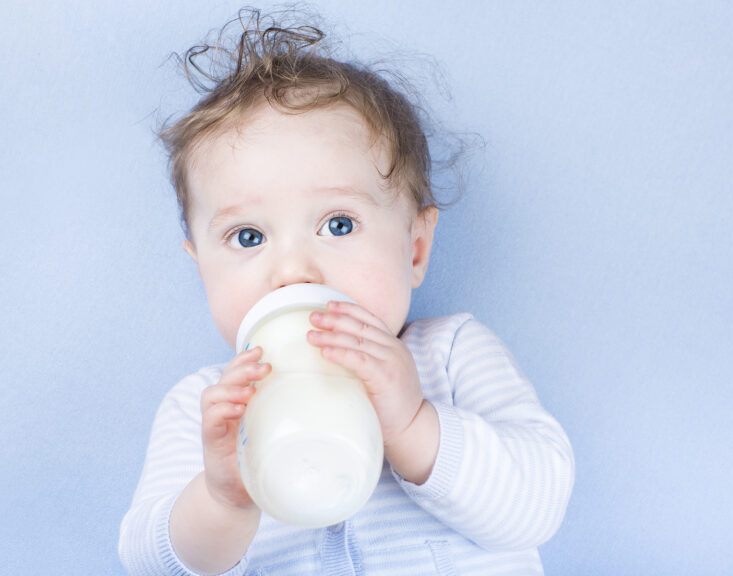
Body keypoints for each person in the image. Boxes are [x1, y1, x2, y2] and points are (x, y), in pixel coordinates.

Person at [119, 8, 574, 576]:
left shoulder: (451, 356)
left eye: (338, 224)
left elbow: (538, 504)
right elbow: (147, 562)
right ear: (202, 270)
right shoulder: (207, 407)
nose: (294, 272)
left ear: (414, 249)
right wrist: (221, 499)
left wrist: (414, 426)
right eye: (249, 236)